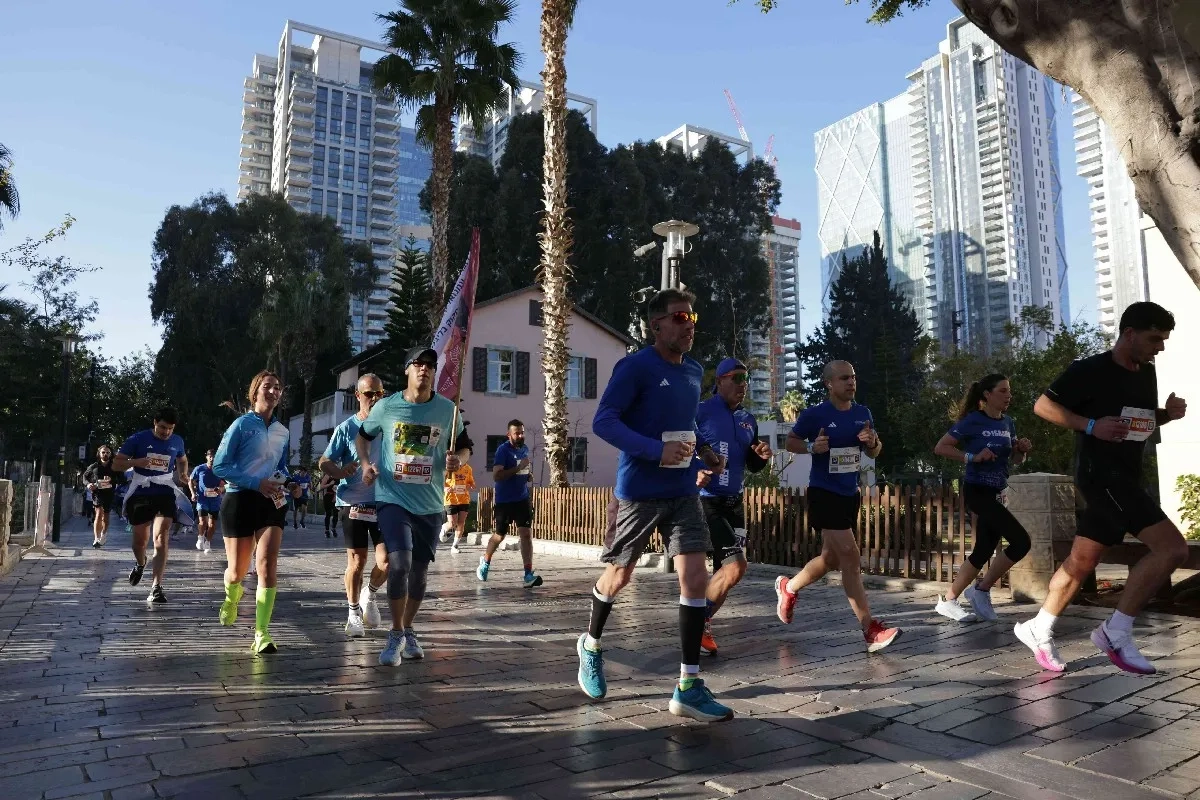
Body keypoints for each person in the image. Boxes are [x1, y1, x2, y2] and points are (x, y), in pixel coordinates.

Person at [577, 288, 732, 723]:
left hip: (683, 489)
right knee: (620, 575)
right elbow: (604, 421)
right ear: (656, 325)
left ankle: (688, 686)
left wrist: (705, 450)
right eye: (679, 317)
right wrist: (653, 450)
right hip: (639, 491)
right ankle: (590, 644)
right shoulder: (635, 367)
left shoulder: (694, 370)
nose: (688, 325)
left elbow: (687, 423)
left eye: (692, 317)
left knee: (695, 577)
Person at [1014, 302, 1188, 674]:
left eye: (1163, 340)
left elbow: (1138, 422)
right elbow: (1042, 406)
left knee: (1081, 562)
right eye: (1154, 339)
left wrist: (1166, 415)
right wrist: (1091, 425)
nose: (1160, 347)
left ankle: (1038, 627)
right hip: (1101, 477)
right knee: (1172, 548)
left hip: (1126, 477)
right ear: (1129, 333)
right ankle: (1116, 632)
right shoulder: (1089, 370)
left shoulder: (1146, 373)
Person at [775, 360, 900, 652]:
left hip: (849, 494)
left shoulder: (862, 413)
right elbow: (791, 441)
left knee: (831, 559)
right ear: (829, 384)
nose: (851, 382)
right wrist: (810, 447)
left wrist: (872, 442)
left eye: (853, 377)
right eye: (844, 378)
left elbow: (875, 451)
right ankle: (870, 630)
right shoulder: (815, 414)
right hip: (824, 493)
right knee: (850, 557)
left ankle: (788, 588)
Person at [356, 347, 463, 666]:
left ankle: (408, 629)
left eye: (430, 365)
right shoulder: (387, 406)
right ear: (407, 370)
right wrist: (365, 465)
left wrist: (459, 460)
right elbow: (363, 436)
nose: (424, 369)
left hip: (429, 503)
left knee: (419, 572)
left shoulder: (448, 410)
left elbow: (464, 447)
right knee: (399, 563)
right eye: (418, 363)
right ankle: (395, 634)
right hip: (393, 499)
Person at [931, 374, 1034, 623]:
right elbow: (941, 447)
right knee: (1021, 542)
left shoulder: (1008, 422)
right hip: (977, 490)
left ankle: (949, 601)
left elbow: (1015, 460)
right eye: (1003, 391)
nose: (1009, 396)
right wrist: (972, 457)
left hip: (999, 492)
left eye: (1009, 391)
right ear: (987, 395)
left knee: (984, 549)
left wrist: (1021, 451)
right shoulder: (972, 420)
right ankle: (981, 590)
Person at [213, 370, 300, 655]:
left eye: (278, 387)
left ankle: (262, 633)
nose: (273, 391)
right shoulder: (241, 424)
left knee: (266, 564)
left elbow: (280, 466)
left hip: (271, 501)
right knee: (237, 571)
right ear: (255, 392)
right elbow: (220, 466)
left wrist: (290, 483)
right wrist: (255, 483)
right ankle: (232, 594)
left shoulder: (283, 431)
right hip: (239, 499)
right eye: (267, 386)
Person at [694, 357, 772, 656]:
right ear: (720, 381)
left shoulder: (748, 419)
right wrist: (696, 471)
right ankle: (695, 623)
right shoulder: (700, 411)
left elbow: (751, 464)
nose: (743, 385)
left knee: (726, 575)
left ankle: (700, 624)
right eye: (737, 378)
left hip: (735, 504)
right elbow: (682, 447)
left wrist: (761, 457)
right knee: (736, 566)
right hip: (707, 501)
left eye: (747, 379)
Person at [319, 373, 390, 637]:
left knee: (388, 561)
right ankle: (352, 613)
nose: (375, 399)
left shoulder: (390, 427)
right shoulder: (346, 428)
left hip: (385, 502)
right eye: (369, 394)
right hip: (354, 503)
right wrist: (339, 472)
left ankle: (369, 595)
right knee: (357, 562)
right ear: (358, 396)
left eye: (380, 394)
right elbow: (324, 461)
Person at [112, 408, 190, 604]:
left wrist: (183, 474)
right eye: (162, 427)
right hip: (141, 491)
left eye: (170, 429)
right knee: (139, 541)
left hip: (165, 491)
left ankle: (156, 586)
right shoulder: (138, 439)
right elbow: (116, 464)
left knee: (161, 537)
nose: (166, 432)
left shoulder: (177, 441)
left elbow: (182, 459)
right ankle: (141, 563)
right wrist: (137, 462)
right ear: (155, 422)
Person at [477, 421, 542, 587]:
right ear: (509, 435)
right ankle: (485, 561)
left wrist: (527, 474)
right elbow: (497, 476)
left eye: (522, 432)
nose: (520, 436)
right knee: (500, 536)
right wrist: (519, 468)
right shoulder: (502, 450)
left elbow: (522, 469)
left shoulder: (524, 449)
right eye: (516, 433)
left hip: (522, 498)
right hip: (505, 500)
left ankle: (528, 574)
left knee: (526, 534)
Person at [83, 444, 118, 548]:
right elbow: (84, 477)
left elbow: (122, 479)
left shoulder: (115, 466)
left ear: (111, 454)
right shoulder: (93, 466)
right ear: (99, 453)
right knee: (98, 513)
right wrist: (88, 484)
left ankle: (103, 534)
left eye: (107, 452)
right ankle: (96, 538)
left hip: (109, 493)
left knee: (106, 515)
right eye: (103, 452)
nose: (105, 454)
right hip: (97, 493)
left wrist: (111, 480)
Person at [190, 448, 225, 554]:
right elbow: (190, 480)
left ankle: (208, 542)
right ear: (207, 457)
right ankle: (200, 537)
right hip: (202, 499)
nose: (212, 458)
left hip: (215, 500)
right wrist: (193, 493)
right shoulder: (200, 468)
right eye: (210, 456)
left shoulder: (220, 469)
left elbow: (224, 484)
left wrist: (221, 489)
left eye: (214, 456)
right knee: (203, 521)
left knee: (212, 524)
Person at [444, 442, 475, 554]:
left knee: (461, 522)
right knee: (452, 523)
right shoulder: (449, 466)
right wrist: (445, 488)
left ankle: (455, 546)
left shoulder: (468, 469)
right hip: (451, 498)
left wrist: (470, 485)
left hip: (464, 499)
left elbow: (471, 482)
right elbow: (440, 480)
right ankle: (444, 528)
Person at [320, 470, 338, 537]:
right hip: (328, 496)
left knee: (336, 514)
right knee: (328, 514)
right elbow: (321, 486)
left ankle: (333, 528)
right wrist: (330, 484)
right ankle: (327, 530)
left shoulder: (339, 475)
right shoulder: (327, 475)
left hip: (337, 497)